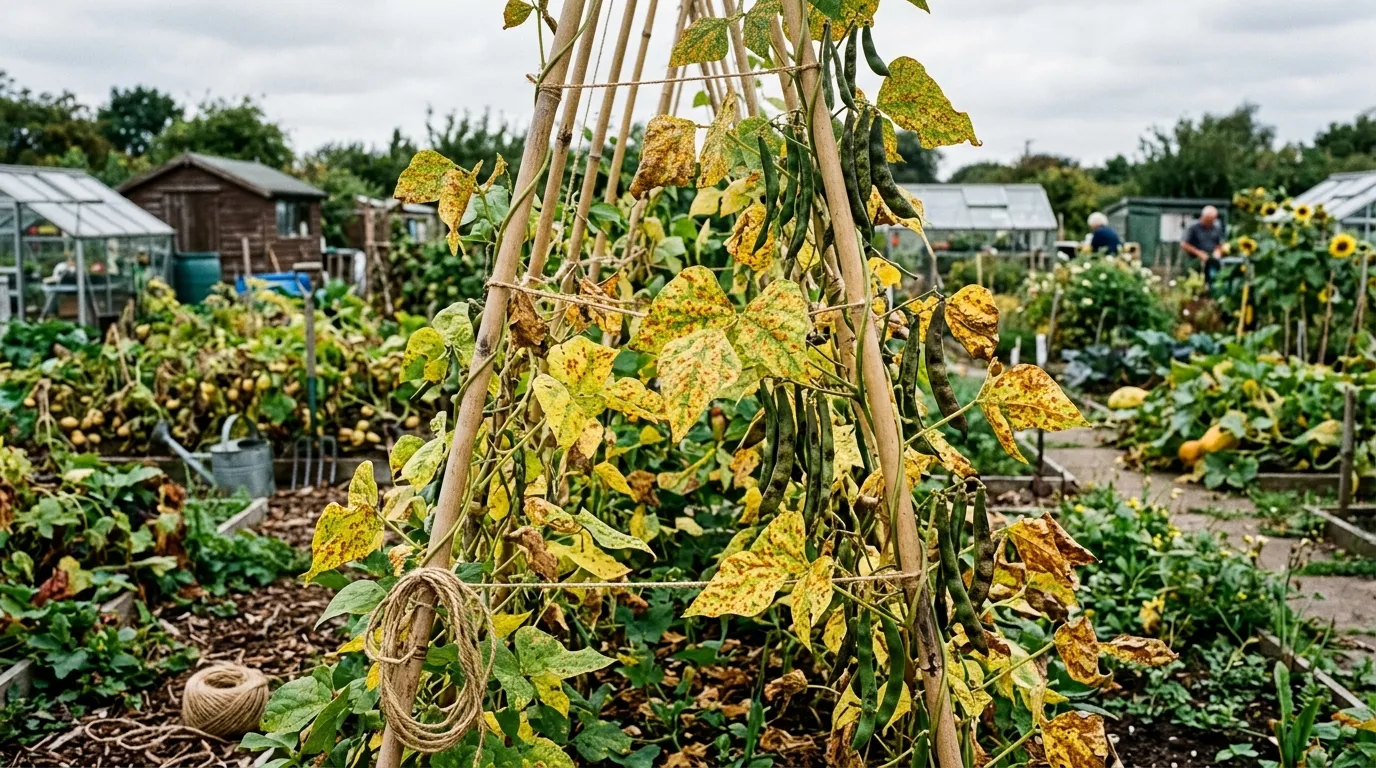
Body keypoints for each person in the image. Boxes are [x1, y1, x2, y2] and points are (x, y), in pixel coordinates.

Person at [1181, 205, 1225, 287]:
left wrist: (1218, 251)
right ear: (1203, 217)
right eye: (1209, 220)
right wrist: (1199, 253)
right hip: (1194, 259)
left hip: (1211, 258)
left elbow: (1220, 244)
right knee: (1194, 278)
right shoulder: (1193, 227)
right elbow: (1184, 244)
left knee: (1215, 277)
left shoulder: (1216, 227)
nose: (1211, 222)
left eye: (1213, 219)